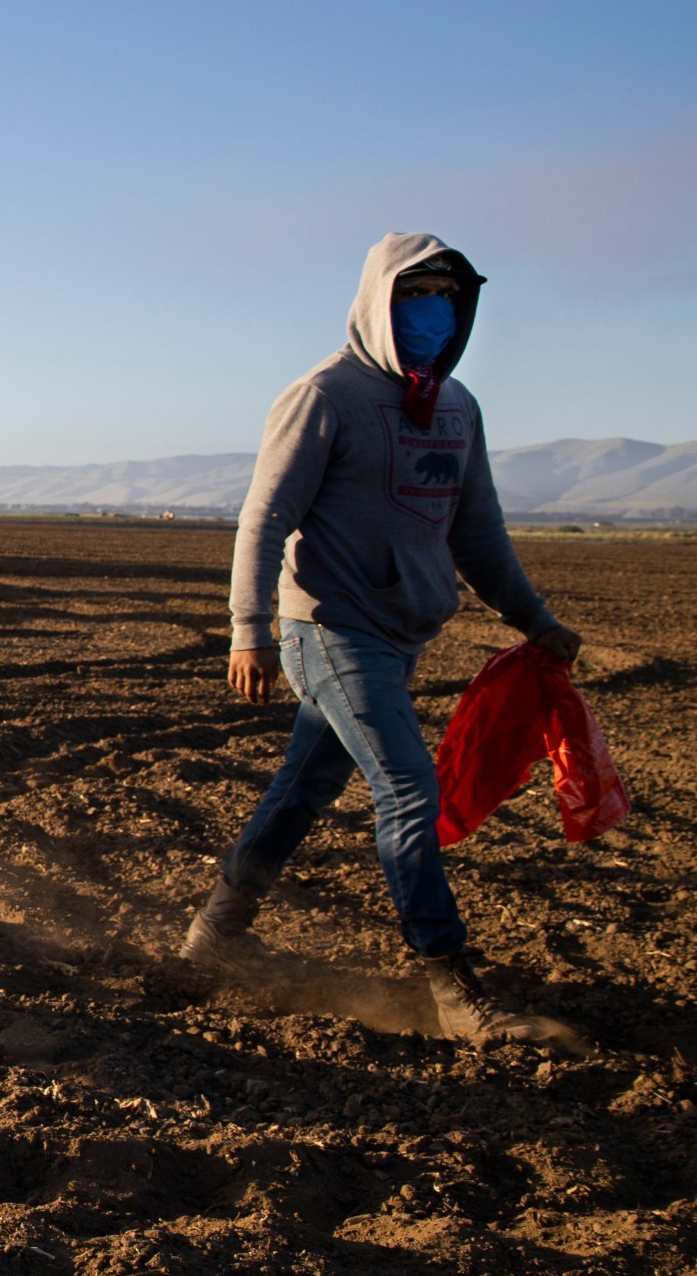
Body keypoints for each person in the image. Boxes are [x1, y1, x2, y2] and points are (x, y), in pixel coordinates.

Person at [188, 233, 584, 1049]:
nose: (433, 308)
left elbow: (479, 534)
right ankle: (451, 983)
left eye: (447, 293)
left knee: (301, 790)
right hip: (327, 626)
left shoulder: (457, 408)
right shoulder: (325, 394)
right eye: (417, 292)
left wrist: (535, 621)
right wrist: (249, 628)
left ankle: (216, 931)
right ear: (380, 299)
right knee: (409, 788)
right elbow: (264, 519)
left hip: (400, 636)